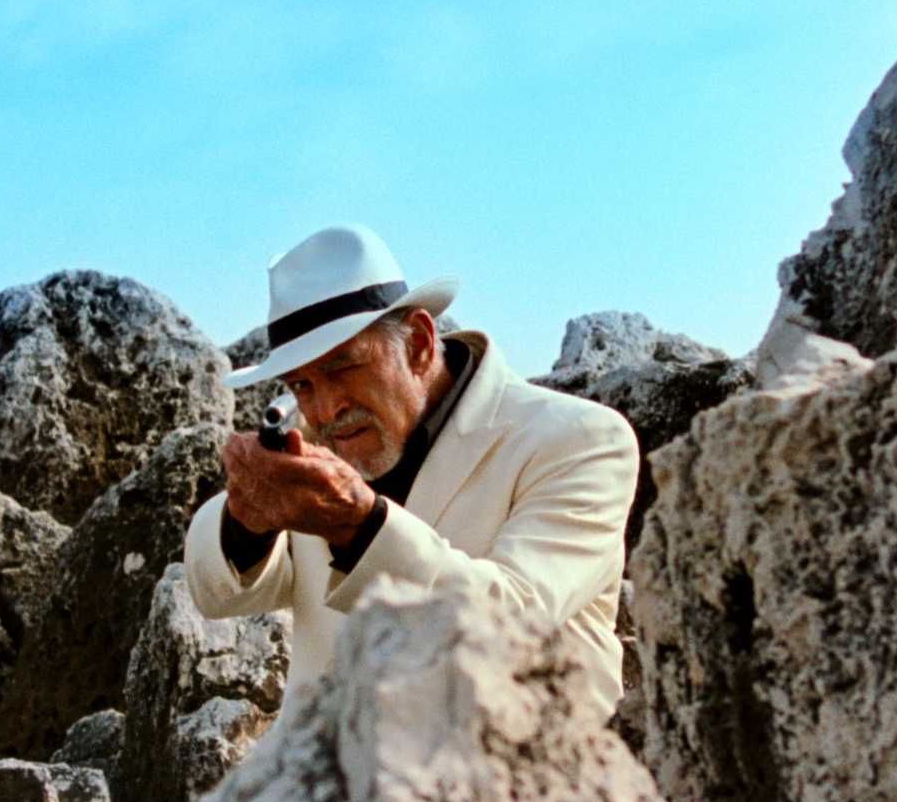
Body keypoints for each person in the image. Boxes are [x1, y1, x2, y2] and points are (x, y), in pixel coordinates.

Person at [182, 224, 639, 719]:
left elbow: (509, 623)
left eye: (342, 367)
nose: (327, 408)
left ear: (419, 343)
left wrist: (357, 525)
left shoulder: (579, 439)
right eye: (302, 384)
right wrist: (248, 517)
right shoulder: (311, 448)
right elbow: (216, 594)